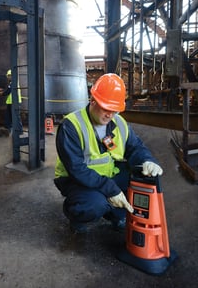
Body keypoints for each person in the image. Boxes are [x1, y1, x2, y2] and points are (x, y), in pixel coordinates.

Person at [54, 73, 163, 234]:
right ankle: (76, 213)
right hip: (76, 180)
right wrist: (111, 189)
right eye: (106, 108)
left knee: (145, 177)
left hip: (108, 173)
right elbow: (76, 168)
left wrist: (147, 160)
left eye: (115, 110)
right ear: (93, 101)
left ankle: (116, 214)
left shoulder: (118, 123)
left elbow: (135, 147)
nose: (110, 115)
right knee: (94, 205)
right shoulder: (71, 126)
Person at [0, 69, 22, 135]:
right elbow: (8, 90)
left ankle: (19, 130)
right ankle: (8, 129)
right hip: (11, 102)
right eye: (8, 76)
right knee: (8, 116)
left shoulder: (14, 82)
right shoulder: (12, 83)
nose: (8, 77)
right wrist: (2, 90)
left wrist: (1, 93)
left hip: (14, 102)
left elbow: (8, 92)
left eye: (9, 76)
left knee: (15, 116)